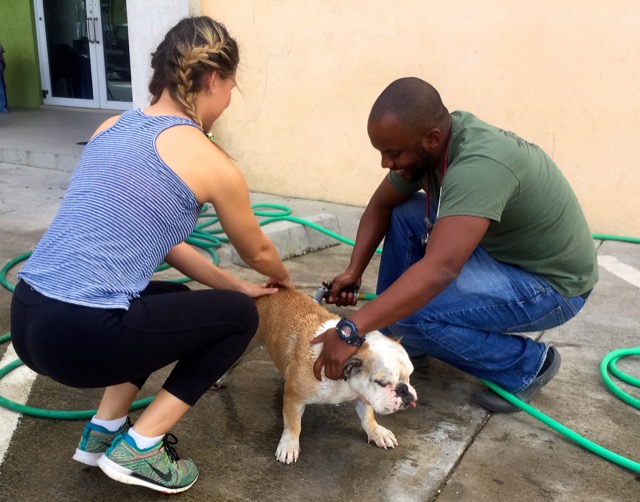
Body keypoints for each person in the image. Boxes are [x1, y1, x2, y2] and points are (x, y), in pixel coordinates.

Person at [10, 16, 293, 494]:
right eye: (230, 87)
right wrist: (281, 282)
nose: (227, 101)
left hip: (29, 316)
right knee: (241, 318)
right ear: (213, 79)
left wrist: (235, 286)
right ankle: (142, 447)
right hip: (82, 335)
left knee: (172, 298)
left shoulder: (111, 127)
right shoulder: (208, 159)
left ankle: (103, 432)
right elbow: (259, 250)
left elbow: (166, 242)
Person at [313, 77, 598, 414]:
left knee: (414, 313)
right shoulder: (435, 141)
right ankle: (397, 339)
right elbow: (381, 205)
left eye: (392, 153)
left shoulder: (478, 167)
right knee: (406, 212)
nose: (385, 163)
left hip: (553, 285)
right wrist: (353, 271)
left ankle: (527, 365)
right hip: (503, 255)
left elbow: (440, 271)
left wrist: (351, 327)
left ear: (432, 139)